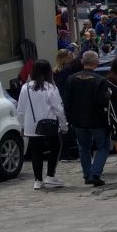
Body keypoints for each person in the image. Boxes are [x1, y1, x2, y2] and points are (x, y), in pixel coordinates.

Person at [17, 59, 69, 190]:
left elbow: (20, 109)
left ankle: (37, 180)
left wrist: (22, 125)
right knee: (56, 146)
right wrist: (64, 125)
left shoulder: (25, 87)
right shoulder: (50, 87)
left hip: (31, 125)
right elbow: (58, 108)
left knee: (36, 151)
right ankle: (50, 175)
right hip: (49, 124)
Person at [64, 50, 112, 187]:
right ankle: (95, 172)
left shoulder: (71, 79)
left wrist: (69, 118)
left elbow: (67, 101)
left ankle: (87, 174)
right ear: (97, 63)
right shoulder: (100, 80)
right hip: (97, 120)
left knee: (84, 147)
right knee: (103, 146)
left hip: (78, 120)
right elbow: (104, 102)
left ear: (82, 62)